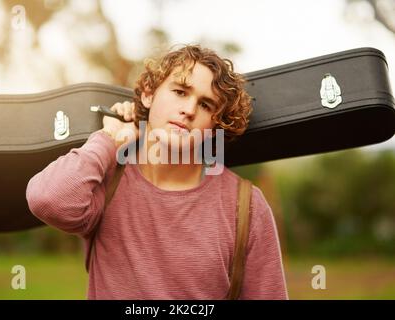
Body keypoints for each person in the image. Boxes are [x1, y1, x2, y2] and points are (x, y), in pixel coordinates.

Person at [26, 44, 288, 300]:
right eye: (180, 92)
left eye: (206, 105)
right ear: (149, 94)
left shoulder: (246, 205)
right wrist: (110, 138)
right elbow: (47, 199)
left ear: (214, 125)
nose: (189, 110)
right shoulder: (109, 181)